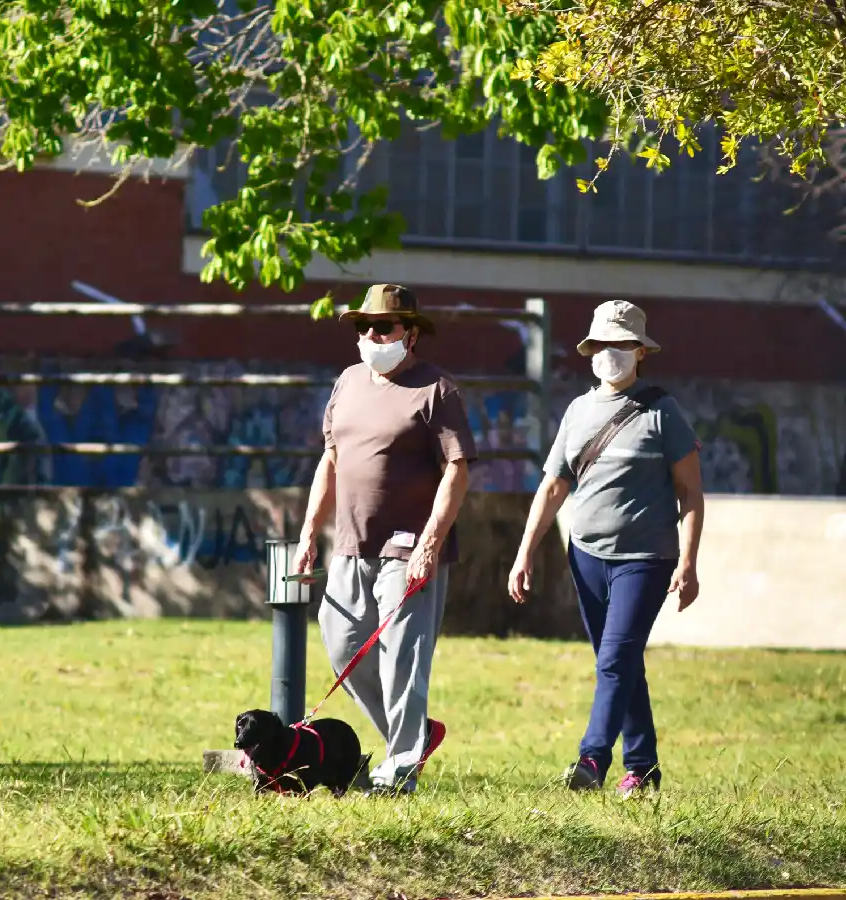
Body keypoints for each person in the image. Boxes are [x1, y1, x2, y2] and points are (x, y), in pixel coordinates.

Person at [507, 299, 704, 798]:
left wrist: (688, 561)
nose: (610, 353)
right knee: (622, 660)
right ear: (590, 350)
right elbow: (553, 486)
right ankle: (643, 767)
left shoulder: (662, 411)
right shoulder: (577, 410)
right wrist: (525, 552)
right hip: (586, 556)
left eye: (621, 345)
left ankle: (591, 759)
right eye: (602, 345)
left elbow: (691, 494)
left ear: (640, 352)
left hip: (646, 559)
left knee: (614, 661)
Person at [295, 283, 478, 796]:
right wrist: (311, 529)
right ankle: (414, 736)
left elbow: (459, 468)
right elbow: (330, 460)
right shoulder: (348, 382)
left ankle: (400, 769)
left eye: (384, 327)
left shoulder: (437, 389)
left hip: (410, 547)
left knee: (403, 656)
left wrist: (429, 543)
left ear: (411, 334)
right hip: (351, 543)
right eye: (364, 327)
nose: (372, 335)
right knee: (341, 641)